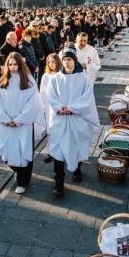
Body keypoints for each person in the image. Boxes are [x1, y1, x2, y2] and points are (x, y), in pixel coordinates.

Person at [43, 48, 100, 196]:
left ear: (75, 61)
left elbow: (87, 98)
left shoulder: (83, 78)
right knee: (58, 152)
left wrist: (73, 108)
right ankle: (59, 183)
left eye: (70, 59)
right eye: (65, 59)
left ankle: (76, 169)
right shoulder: (55, 78)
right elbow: (50, 96)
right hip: (60, 121)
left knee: (76, 146)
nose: (67, 62)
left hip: (76, 119)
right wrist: (58, 108)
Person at [0, 52, 45, 194]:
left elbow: (33, 103)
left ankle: (23, 181)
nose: (13, 67)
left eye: (15, 64)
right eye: (10, 64)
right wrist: (5, 118)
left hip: (23, 125)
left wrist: (19, 120)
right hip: (7, 124)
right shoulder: (2, 82)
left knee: (23, 153)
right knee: (7, 153)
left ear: (20, 65)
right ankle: (18, 171)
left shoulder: (28, 81)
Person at [39, 53, 61, 163]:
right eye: (49, 62)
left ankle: (59, 149)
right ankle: (50, 151)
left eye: (53, 61)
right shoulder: (46, 76)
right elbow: (42, 91)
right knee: (49, 128)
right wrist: (42, 106)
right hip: (48, 106)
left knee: (58, 127)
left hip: (58, 105)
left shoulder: (61, 75)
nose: (51, 64)